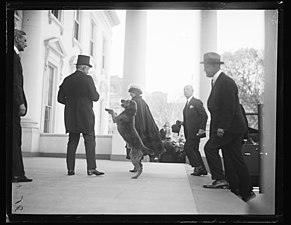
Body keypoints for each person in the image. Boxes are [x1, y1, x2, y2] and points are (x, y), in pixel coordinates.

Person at [201, 52, 255, 202]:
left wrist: (222, 127)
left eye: (205, 67)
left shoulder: (225, 82)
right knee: (233, 158)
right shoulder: (218, 82)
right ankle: (244, 191)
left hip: (229, 128)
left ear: (213, 66)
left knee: (210, 149)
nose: (204, 70)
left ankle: (220, 179)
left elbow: (229, 107)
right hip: (232, 127)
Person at [57, 55, 104, 176]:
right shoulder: (88, 79)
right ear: (83, 68)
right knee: (89, 141)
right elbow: (95, 97)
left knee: (72, 141)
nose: (88, 71)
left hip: (71, 115)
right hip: (86, 115)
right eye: (88, 68)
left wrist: (71, 103)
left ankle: (70, 169)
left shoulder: (67, 79)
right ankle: (91, 169)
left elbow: (60, 98)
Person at [127, 85, 164, 170]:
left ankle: (137, 166)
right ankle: (138, 165)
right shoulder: (142, 102)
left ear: (135, 93)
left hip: (136, 129)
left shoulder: (134, 102)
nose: (130, 94)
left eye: (131, 93)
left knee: (135, 148)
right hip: (142, 129)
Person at [12, 29, 33, 183]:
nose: (26, 44)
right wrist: (20, 103)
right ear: (17, 39)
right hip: (12, 106)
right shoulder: (13, 57)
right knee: (14, 140)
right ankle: (16, 173)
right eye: (24, 40)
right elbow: (15, 83)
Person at [178, 85, 208, 176]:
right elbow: (190, 118)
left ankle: (198, 166)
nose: (185, 91)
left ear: (192, 91)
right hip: (189, 131)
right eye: (184, 90)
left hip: (195, 131)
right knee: (194, 149)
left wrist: (201, 129)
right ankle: (202, 169)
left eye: (187, 89)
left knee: (188, 148)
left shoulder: (196, 102)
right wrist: (182, 123)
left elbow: (204, 115)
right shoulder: (187, 104)